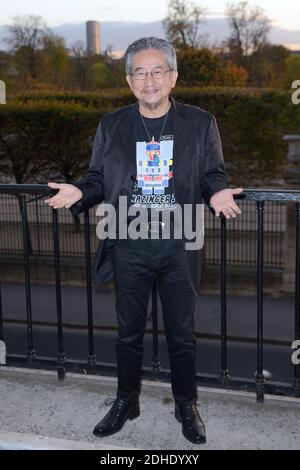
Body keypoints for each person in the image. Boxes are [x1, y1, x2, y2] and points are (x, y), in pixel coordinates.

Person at [45, 37, 243, 445]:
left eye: (158, 71)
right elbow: (99, 179)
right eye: (140, 72)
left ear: (172, 77)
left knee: (181, 333)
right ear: (129, 79)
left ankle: (186, 405)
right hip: (129, 239)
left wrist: (217, 192)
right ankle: (125, 401)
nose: (149, 80)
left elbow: (212, 173)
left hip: (179, 241)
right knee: (127, 333)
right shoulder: (112, 125)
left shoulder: (201, 123)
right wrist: (82, 192)